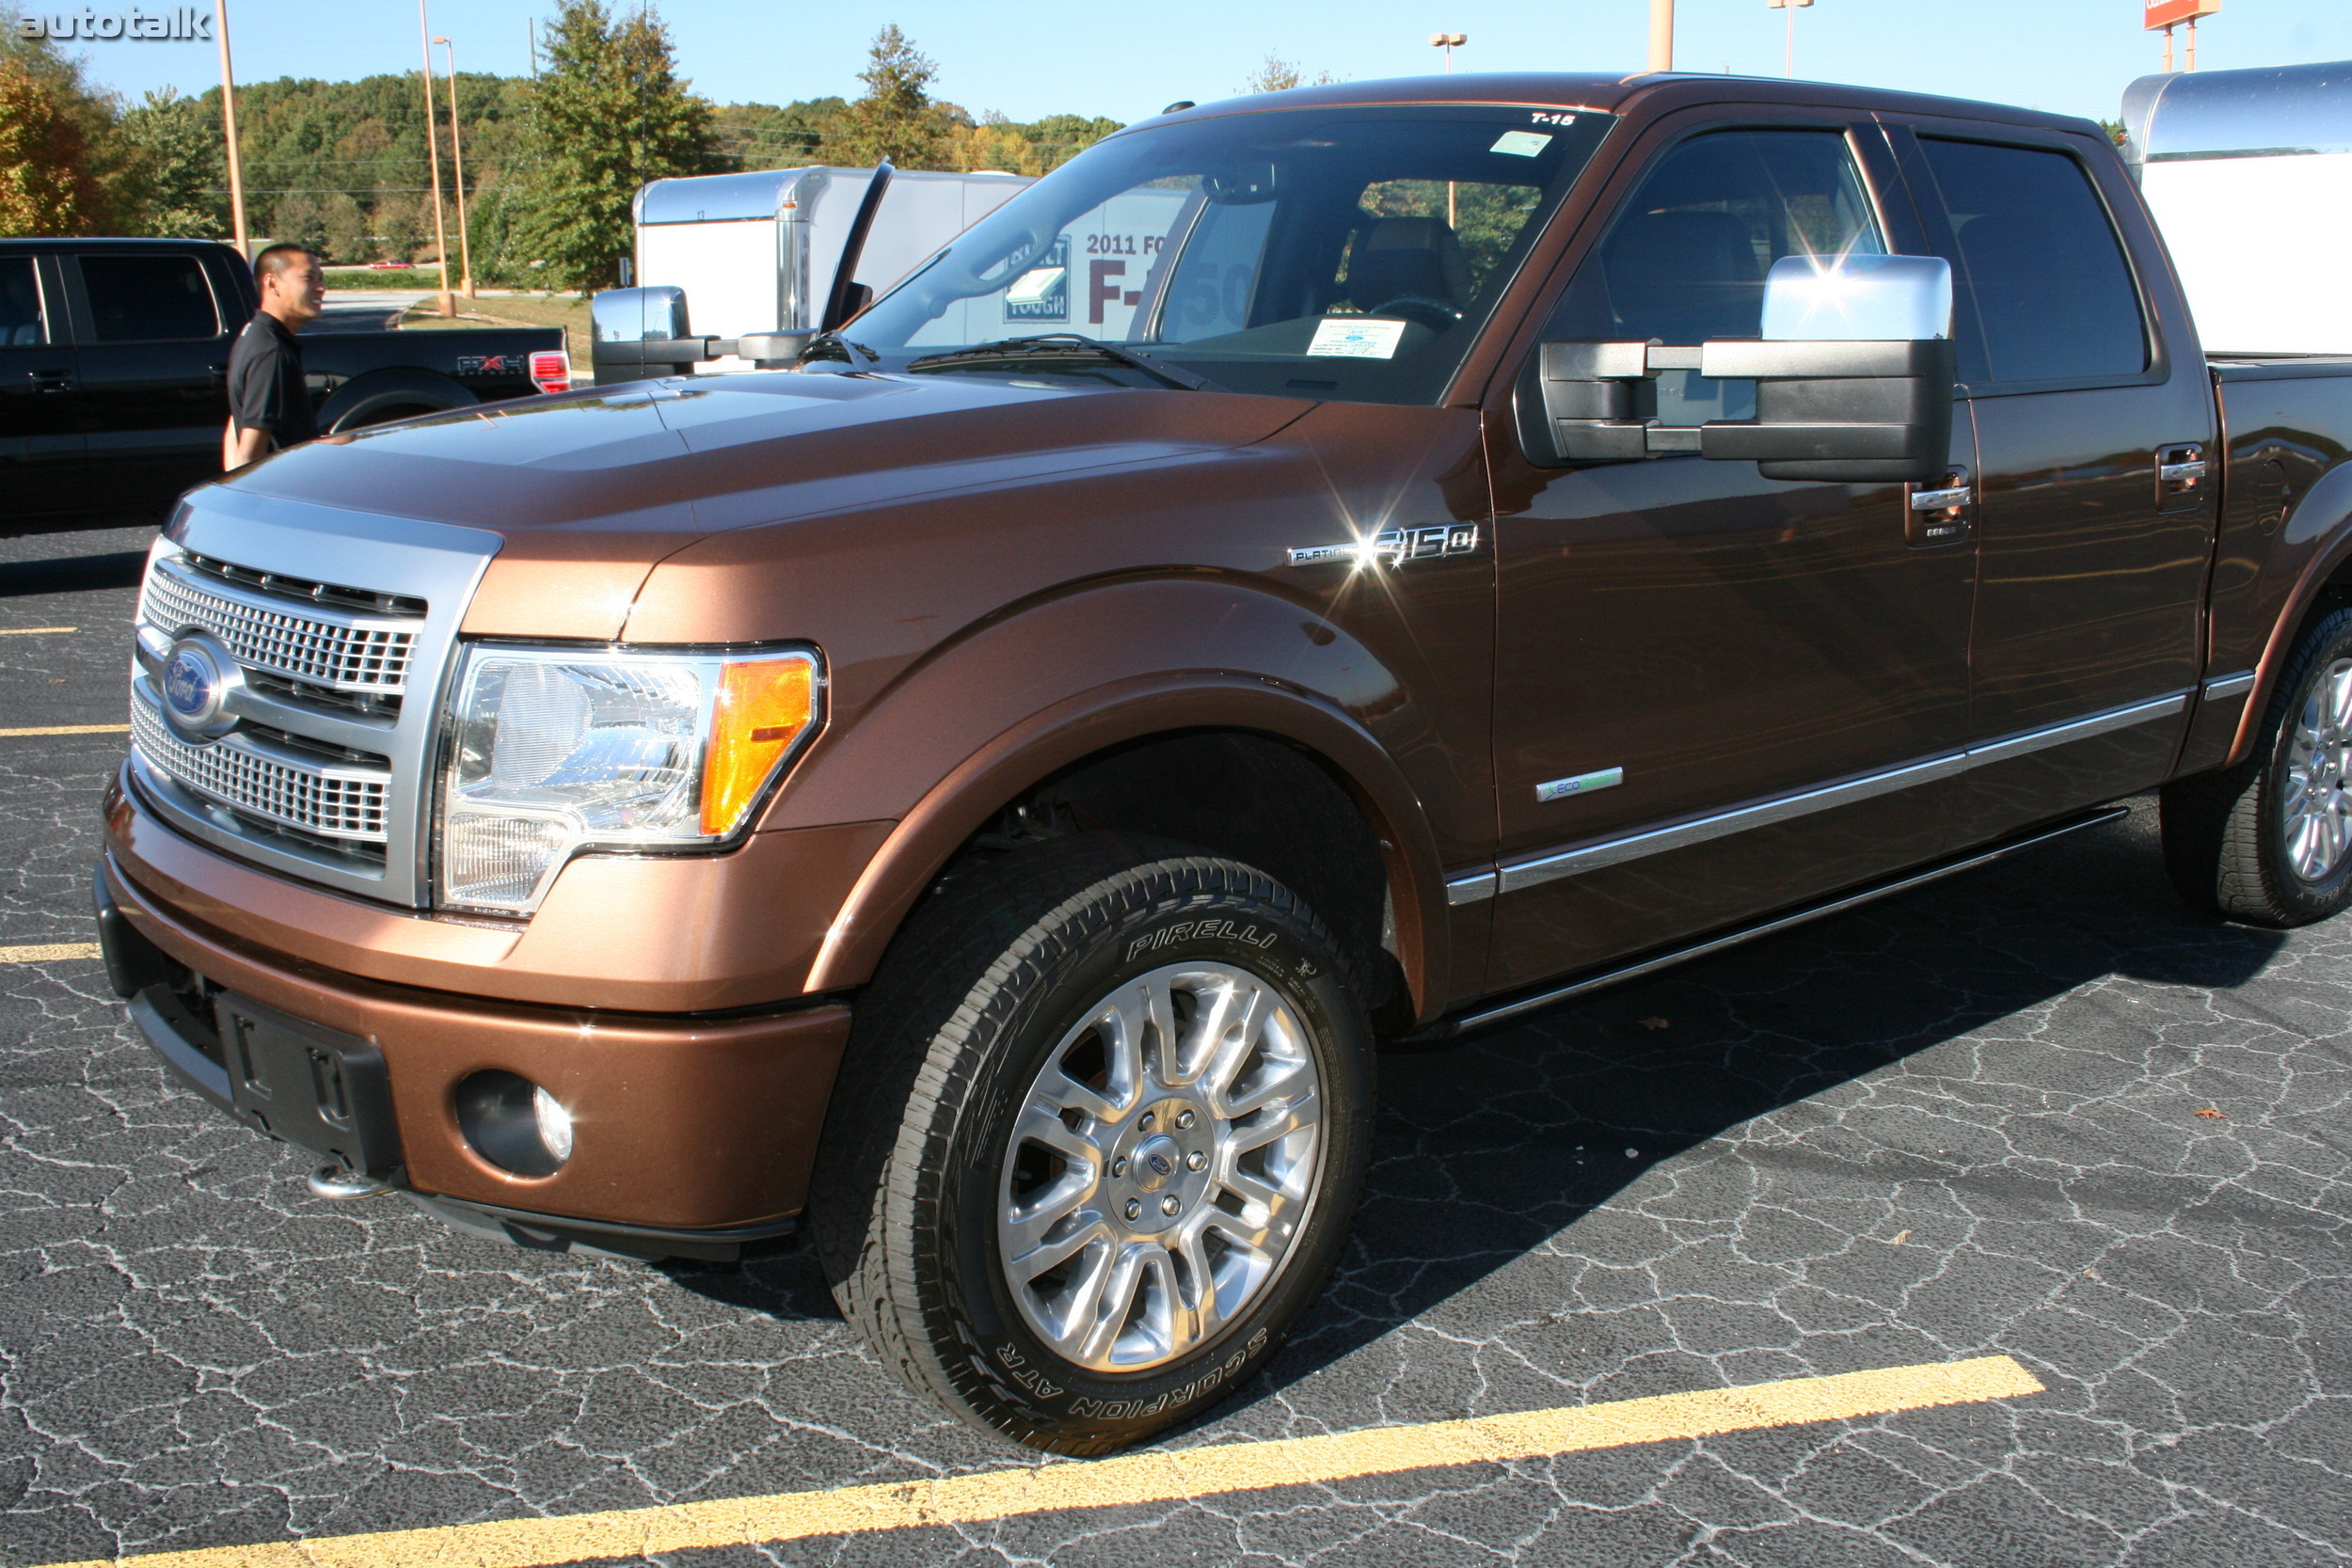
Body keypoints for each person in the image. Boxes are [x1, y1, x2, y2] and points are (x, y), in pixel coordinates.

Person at [221, 243, 326, 471]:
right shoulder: (272, 351)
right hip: (281, 493)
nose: (320, 288)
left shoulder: (253, 334)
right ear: (272, 283)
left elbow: (235, 423)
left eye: (321, 278)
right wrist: (242, 495)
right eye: (309, 278)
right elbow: (250, 450)